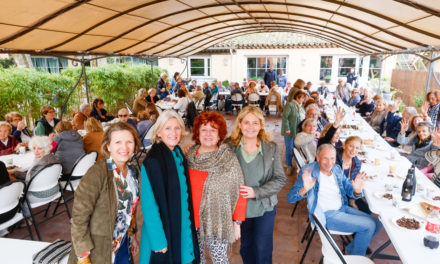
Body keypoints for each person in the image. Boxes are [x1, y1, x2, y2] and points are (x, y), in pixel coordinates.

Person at [287, 144, 381, 256]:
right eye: (325, 158)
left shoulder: (336, 169)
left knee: (377, 223)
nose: (329, 162)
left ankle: (352, 251)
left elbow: (349, 188)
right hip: (327, 214)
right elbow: (290, 198)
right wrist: (305, 189)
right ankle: (356, 258)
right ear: (317, 157)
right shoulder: (309, 171)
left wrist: (356, 190)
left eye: (332, 158)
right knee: (369, 225)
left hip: (342, 208)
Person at [68, 122, 141, 264]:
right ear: (108, 146)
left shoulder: (132, 171)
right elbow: (79, 218)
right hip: (98, 251)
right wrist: (83, 257)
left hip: (122, 244)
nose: (124, 147)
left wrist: (133, 237)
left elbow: (130, 210)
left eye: (129, 142)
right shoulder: (97, 173)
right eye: (118, 142)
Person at [227, 106, 285, 264]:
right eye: (246, 122)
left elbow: (280, 179)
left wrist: (257, 192)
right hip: (239, 209)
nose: (250, 127)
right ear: (239, 124)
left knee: (262, 249)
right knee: (246, 247)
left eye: (255, 123)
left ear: (261, 125)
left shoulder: (270, 148)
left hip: (264, 207)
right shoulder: (229, 146)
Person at [186, 111, 246, 263]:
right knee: (196, 258)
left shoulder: (228, 158)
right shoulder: (189, 155)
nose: (208, 134)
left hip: (218, 220)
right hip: (192, 220)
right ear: (197, 133)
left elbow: (240, 190)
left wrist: (236, 223)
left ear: (220, 135)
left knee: (219, 258)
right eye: (204, 130)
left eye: (213, 130)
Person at [139, 110, 199, 264]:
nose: (174, 132)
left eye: (177, 127)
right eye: (167, 128)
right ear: (159, 132)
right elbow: (148, 204)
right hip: (162, 231)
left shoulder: (177, 153)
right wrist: (158, 241)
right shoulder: (153, 161)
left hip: (181, 222)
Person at [336, 136, 371, 214]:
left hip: (348, 193)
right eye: (351, 146)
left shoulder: (357, 163)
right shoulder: (334, 157)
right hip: (335, 194)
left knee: (367, 211)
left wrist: (353, 200)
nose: (353, 150)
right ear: (344, 145)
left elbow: (354, 184)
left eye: (357, 148)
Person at [282, 90, 307, 175]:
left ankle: (295, 164)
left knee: (295, 149)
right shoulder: (290, 105)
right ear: (297, 97)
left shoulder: (300, 106)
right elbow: (284, 117)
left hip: (297, 131)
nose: (303, 100)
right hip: (289, 131)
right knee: (289, 149)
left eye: (304, 98)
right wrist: (287, 129)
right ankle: (289, 166)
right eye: (302, 98)